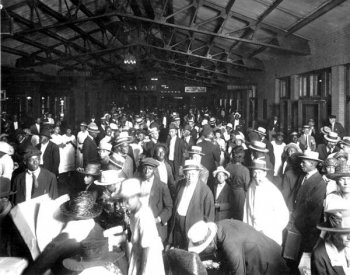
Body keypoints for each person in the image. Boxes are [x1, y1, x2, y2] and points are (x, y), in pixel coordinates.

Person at [187, 220, 289, 275]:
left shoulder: (230, 246)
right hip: (263, 254)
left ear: (210, 243)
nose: (204, 252)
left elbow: (238, 272)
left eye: (203, 250)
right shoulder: (219, 227)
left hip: (270, 265)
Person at [118, 178, 165, 275]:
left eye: (128, 200)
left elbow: (146, 248)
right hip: (138, 253)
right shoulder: (133, 213)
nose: (125, 204)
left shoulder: (144, 215)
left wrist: (141, 271)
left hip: (148, 259)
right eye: (124, 200)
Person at [168, 159, 214, 250]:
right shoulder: (180, 184)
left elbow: (209, 217)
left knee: (189, 252)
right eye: (187, 174)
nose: (190, 177)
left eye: (193, 174)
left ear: (198, 173)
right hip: (177, 225)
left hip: (192, 229)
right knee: (178, 250)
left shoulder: (206, 191)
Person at [243, 159, 289, 245]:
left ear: (265, 173)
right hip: (253, 230)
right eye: (255, 172)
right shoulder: (251, 187)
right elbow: (247, 209)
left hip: (268, 233)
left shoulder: (272, 190)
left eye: (259, 173)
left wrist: (269, 229)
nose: (257, 176)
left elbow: (284, 215)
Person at [291, 150, 327, 255]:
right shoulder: (302, 176)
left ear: (312, 163)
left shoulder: (320, 183)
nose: (301, 164)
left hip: (306, 230)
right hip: (296, 223)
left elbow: (315, 212)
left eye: (304, 162)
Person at [138, 158, 173, 243]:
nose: (147, 171)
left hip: (155, 226)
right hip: (139, 224)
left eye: (150, 168)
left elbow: (169, 207)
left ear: (154, 170)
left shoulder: (162, 186)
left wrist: (158, 219)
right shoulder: (137, 183)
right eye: (145, 168)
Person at [311, 209, 350, 275]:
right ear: (333, 233)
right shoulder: (320, 255)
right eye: (345, 233)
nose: (349, 237)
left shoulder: (347, 245)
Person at [225, 146, 250, 221]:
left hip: (229, 192)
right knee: (240, 215)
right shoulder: (245, 170)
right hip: (240, 194)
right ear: (242, 157)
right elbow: (247, 186)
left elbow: (226, 179)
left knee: (230, 212)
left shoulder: (228, 167)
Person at [197, 125, 220, 190]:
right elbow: (218, 159)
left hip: (200, 170)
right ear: (210, 135)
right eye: (212, 134)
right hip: (210, 171)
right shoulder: (214, 146)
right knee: (209, 189)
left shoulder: (198, 144)